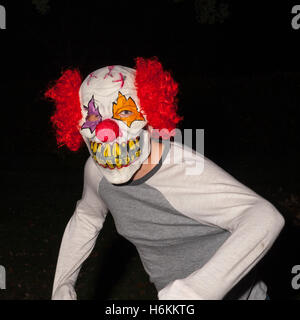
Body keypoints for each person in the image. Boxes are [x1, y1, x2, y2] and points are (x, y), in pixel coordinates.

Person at [45, 57, 284, 300]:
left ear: (150, 113)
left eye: (125, 111)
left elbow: (265, 216)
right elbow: (87, 217)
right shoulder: (96, 172)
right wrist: (62, 283)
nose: (107, 132)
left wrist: (198, 289)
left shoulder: (185, 168)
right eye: (94, 116)